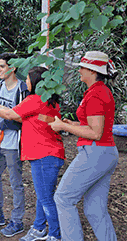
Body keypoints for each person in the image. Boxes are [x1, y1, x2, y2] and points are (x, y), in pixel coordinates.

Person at [0, 66, 65, 241]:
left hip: (43, 154)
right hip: (50, 154)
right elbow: (24, 117)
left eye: (28, 79)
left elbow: (10, 114)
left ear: (36, 82)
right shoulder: (49, 101)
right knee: (43, 195)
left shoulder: (35, 99)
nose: (26, 82)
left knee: (46, 198)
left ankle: (55, 235)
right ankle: (38, 228)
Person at [50, 51, 119, 241]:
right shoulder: (99, 91)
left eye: (82, 67)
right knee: (95, 210)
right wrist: (71, 124)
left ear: (92, 70)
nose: (79, 70)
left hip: (95, 153)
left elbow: (95, 133)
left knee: (63, 198)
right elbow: (97, 127)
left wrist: (63, 126)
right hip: (106, 152)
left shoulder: (96, 94)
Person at [0, 52, 28, 237]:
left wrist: (3, 124)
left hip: (14, 143)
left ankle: (17, 221)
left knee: (16, 182)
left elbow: (22, 118)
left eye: (2, 66)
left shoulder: (22, 89)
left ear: (13, 68)